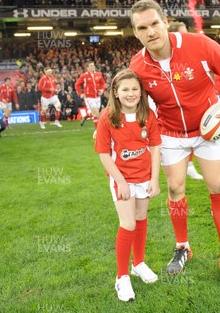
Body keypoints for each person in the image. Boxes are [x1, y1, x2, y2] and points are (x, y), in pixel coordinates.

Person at [129, 0, 220, 285]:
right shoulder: (138, 65)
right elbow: (135, 101)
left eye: (154, 23)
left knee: (217, 186)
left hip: (208, 130)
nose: (150, 31)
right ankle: (182, 246)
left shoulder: (199, 44)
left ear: (165, 22)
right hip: (170, 133)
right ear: (136, 33)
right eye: (142, 28)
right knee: (175, 188)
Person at [94, 69, 161, 302]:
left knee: (141, 217)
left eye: (135, 89)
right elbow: (103, 154)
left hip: (144, 176)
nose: (131, 94)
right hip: (121, 178)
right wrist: (120, 181)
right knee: (128, 222)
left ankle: (138, 263)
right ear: (116, 92)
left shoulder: (148, 114)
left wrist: (154, 179)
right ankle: (121, 277)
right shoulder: (108, 117)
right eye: (125, 89)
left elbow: (154, 148)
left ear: (141, 91)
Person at [167, 21, 203, 180]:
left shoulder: (191, 54)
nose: (186, 36)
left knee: (193, 134)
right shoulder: (163, 57)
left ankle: (189, 166)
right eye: (183, 33)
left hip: (188, 106)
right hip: (168, 111)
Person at [75, 62, 106, 127]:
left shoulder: (98, 74)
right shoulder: (84, 76)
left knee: (96, 113)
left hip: (97, 97)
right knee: (96, 115)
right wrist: (81, 94)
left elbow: (103, 83)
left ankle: (85, 117)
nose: (93, 67)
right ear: (87, 68)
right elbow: (77, 85)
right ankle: (98, 131)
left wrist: (102, 90)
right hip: (89, 97)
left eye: (93, 65)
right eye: (91, 66)